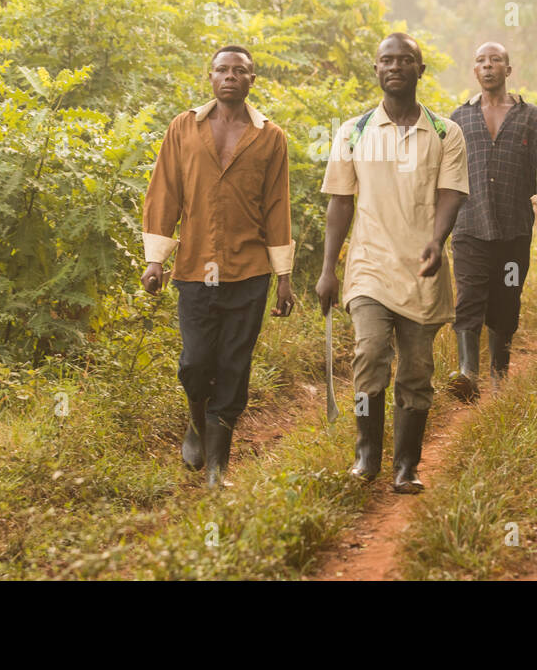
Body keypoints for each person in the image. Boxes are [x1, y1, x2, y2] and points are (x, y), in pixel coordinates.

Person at [316, 33, 468, 493]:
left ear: (421, 70)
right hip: (369, 267)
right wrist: (328, 269)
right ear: (376, 69)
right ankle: (366, 453)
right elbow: (340, 203)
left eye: (406, 60)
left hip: (424, 269)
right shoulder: (354, 131)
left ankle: (407, 465)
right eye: (387, 60)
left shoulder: (445, 132)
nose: (395, 67)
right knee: (369, 354)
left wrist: (437, 241)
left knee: (417, 370)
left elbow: (452, 194)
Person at [140, 45, 295, 489]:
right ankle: (196, 420)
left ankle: (217, 469)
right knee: (194, 363)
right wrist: (156, 260)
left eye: (239, 71)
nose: (230, 76)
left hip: (248, 272)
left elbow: (277, 206)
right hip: (194, 269)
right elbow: (164, 191)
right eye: (222, 70)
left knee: (232, 366)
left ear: (252, 80)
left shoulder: (270, 136)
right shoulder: (183, 128)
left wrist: (283, 277)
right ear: (210, 77)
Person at [447, 41, 537, 401]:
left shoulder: (530, 116)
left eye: (496, 60)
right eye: (481, 61)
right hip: (469, 225)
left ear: (508, 70)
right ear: (475, 71)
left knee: (506, 301)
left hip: (514, 230)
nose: (488, 66)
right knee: (468, 298)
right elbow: (444, 170)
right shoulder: (459, 119)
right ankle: (467, 374)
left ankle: (499, 378)